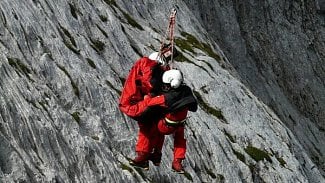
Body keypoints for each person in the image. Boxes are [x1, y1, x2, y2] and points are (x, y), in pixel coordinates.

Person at [119, 44, 179, 170]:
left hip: (135, 103)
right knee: (153, 122)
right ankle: (152, 154)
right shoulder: (148, 64)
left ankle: (147, 156)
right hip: (133, 104)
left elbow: (147, 84)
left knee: (152, 123)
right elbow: (150, 82)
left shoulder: (148, 67)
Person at [155, 69, 198, 173]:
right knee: (180, 140)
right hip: (180, 124)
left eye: (167, 85)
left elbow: (152, 102)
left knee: (157, 131)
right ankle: (177, 162)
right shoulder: (186, 90)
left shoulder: (169, 97)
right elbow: (193, 106)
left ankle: (156, 154)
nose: (166, 87)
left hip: (166, 126)